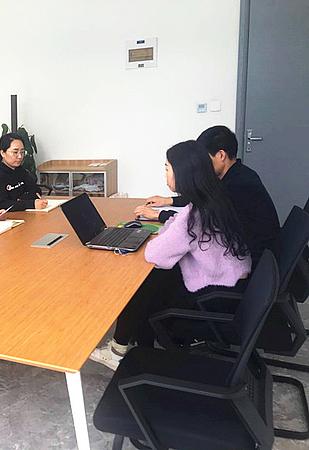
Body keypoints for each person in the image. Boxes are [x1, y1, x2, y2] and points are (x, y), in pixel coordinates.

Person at [90, 140, 252, 370]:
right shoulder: (213, 197)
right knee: (154, 279)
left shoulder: (194, 216)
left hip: (215, 297)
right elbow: (174, 225)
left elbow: (155, 254)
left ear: (182, 173)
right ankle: (128, 346)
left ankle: (121, 351)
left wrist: (162, 235)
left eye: (167, 168)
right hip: (233, 283)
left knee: (141, 284)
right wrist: (168, 231)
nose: (165, 175)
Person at [134, 125, 280, 267]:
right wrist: (169, 200)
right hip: (247, 252)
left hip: (252, 259)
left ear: (221, 155)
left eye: (204, 158)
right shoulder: (237, 174)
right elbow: (202, 199)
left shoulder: (236, 186)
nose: (201, 164)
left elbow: (196, 223)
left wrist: (157, 215)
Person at [0, 133, 48, 211]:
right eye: (15, 152)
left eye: (22, 152)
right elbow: (1, 204)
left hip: (18, 213)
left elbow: (36, 190)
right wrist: (30, 204)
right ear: (3, 153)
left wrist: (21, 200)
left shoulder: (19, 170)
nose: (20, 156)